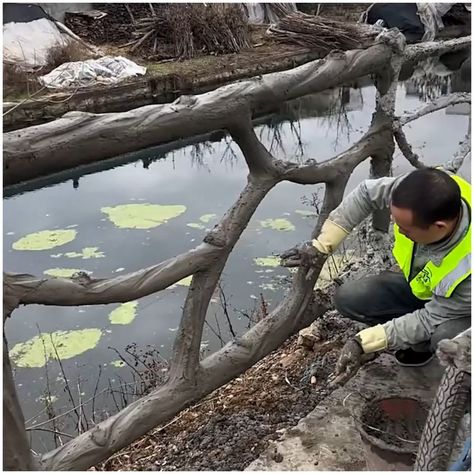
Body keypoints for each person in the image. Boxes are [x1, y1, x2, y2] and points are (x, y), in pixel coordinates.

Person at [283, 167, 471, 385]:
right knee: (351, 297)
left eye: (406, 229)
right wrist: (321, 246)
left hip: (462, 311)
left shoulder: (468, 267)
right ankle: (418, 345)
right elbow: (366, 193)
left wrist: (364, 342)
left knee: (446, 337)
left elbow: (430, 319)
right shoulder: (423, 192)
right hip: (426, 287)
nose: (399, 231)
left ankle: (462, 389)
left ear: (439, 227)